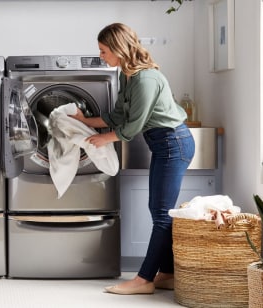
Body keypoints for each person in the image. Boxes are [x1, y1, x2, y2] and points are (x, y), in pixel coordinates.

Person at [70, 23, 195, 295]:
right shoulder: (126, 76)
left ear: (118, 48)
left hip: (173, 142)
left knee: (162, 215)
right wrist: (84, 121)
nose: (101, 56)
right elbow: (116, 117)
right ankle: (168, 273)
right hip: (163, 144)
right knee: (159, 212)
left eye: (103, 51)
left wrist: (104, 139)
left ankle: (144, 280)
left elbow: (133, 126)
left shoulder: (146, 79)